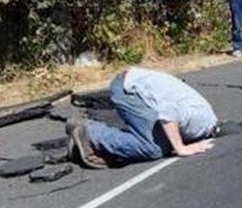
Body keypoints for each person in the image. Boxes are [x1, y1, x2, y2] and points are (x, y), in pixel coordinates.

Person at [67, 67, 217, 168]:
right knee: (154, 149)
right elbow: (168, 112)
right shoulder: (199, 120)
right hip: (128, 89)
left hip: (136, 84)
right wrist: (181, 148)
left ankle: (95, 140)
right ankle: (91, 133)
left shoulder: (205, 120)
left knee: (164, 140)